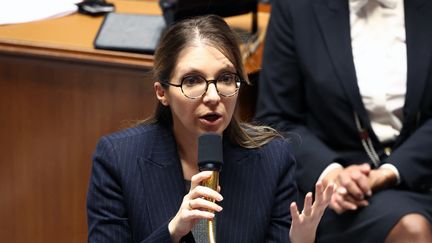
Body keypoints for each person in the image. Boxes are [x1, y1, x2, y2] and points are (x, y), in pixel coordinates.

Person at [87, 15, 333, 243]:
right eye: (192, 81)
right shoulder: (118, 159)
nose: (213, 96)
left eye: (225, 78)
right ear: (162, 92)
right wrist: (173, 231)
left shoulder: (273, 159)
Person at [255, 0, 432, 242]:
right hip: (339, 191)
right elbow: (276, 120)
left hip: (421, 169)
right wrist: (332, 173)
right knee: (412, 229)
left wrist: (390, 171)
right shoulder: (296, 8)